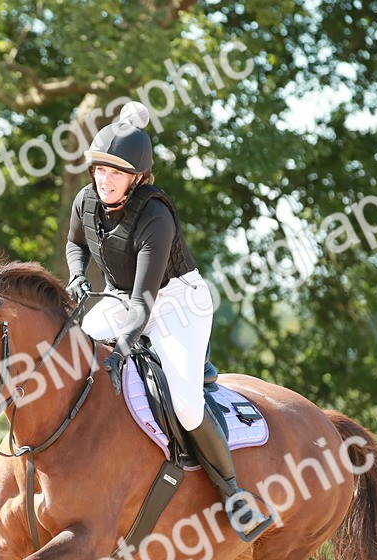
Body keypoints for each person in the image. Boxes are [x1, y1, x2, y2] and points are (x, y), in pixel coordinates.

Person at [65, 101, 269, 535]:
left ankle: (234, 493)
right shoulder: (85, 201)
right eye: (100, 170)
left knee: (186, 406)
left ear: (137, 178)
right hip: (125, 298)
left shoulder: (156, 216)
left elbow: (145, 303)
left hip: (177, 305)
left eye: (116, 173)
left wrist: (121, 351)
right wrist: (77, 276)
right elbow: (75, 244)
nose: (105, 180)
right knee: (70, 355)